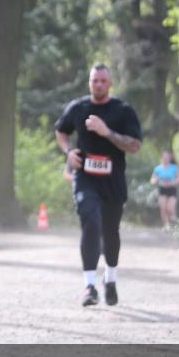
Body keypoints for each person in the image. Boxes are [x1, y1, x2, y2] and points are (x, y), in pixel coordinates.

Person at [54, 64, 142, 307]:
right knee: (90, 221)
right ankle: (89, 286)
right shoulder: (78, 108)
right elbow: (61, 131)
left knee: (110, 232)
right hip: (85, 178)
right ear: (89, 83)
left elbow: (135, 146)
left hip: (113, 182)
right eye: (95, 81)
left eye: (103, 80)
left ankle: (110, 278)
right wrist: (68, 152)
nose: (99, 85)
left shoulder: (123, 111)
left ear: (110, 83)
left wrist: (107, 132)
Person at [151, 150, 179, 229]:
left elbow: (178, 179)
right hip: (162, 190)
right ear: (162, 158)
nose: (165, 158)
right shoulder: (157, 168)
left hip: (172, 189)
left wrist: (172, 183)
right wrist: (156, 181)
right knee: (163, 208)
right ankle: (166, 225)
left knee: (170, 208)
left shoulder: (174, 168)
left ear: (170, 158)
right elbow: (152, 180)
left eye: (167, 157)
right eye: (164, 157)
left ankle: (173, 219)